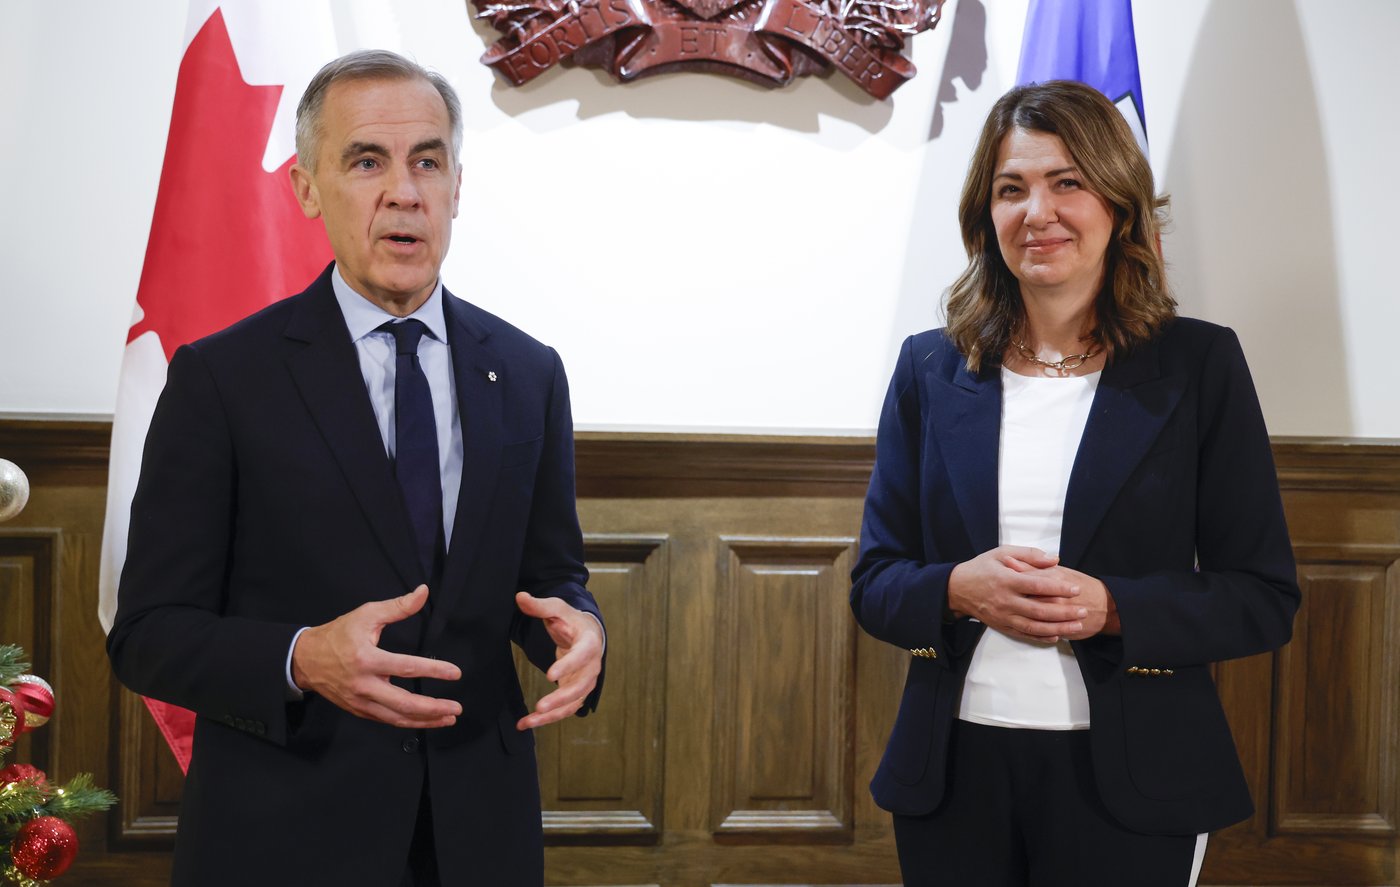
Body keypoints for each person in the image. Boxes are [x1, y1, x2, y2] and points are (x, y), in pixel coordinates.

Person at [107, 50, 605, 887]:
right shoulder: (223, 379)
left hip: (477, 839)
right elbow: (147, 634)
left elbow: (550, 576)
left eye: (428, 162)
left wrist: (582, 630)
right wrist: (301, 656)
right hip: (284, 839)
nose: (404, 192)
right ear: (307, 188)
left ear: (456, 186)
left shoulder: (528, 372)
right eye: (367, 162)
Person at [850, 80, 1299, 887]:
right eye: (1011, 188)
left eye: (1067, 182)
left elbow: (1263, 597)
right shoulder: (929, 367)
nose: (1038, 212)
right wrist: (956, 588)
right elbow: (874, 582)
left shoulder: (1199, 365)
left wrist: (1113, 607)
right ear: (985, 214)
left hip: (1135, 776)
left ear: (1118, 207)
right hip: (953, 775)